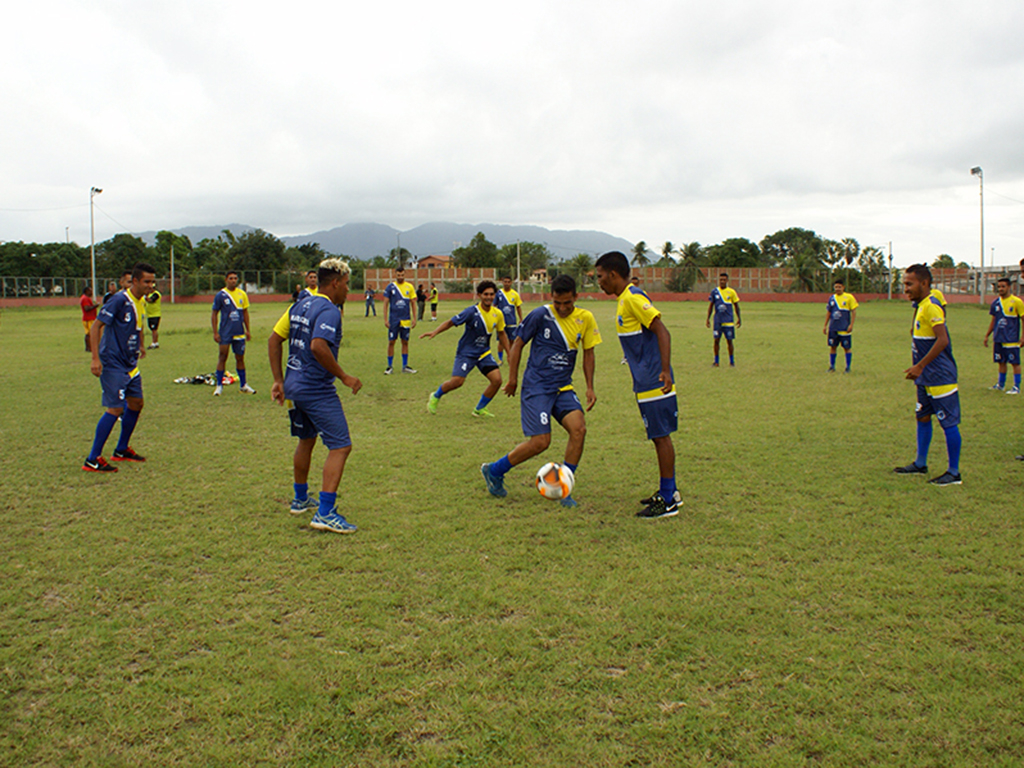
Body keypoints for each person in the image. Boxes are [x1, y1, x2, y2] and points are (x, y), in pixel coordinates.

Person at [481, 275, 600, 507]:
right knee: (540, 442)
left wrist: (589, 386)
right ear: (551, 298)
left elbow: (588, 353)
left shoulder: (586, 318)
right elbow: (517, 344)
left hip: (563, 387)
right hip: (537, 387)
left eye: (568, 303)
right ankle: (494, 470)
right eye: (558, 303)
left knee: (579, 430)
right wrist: (513, 379)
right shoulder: (539, 315)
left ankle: (563, 487)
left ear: (576, 297)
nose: (563, 308)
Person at [269, 258, 362, 533]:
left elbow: (274, 338)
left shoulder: (300, 303)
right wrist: (344, 376)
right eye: (346, 284)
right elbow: (318, 346)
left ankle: (300, 499)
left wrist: (278, 380)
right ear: (334, 283)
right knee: (341, 446)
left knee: (306, 440)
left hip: (294, 385)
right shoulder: (330, 310)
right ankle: (325, 512)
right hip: (315, 388)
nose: (348, 290)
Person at [595, 251, 681, 517]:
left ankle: (667, 500)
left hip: (654, 379)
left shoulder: (632, 297)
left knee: (660, 436)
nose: (598, 282)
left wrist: (665, 371)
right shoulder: (624, 300)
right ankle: (671, 491)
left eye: (600, 277)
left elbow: (662, 331)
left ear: (613, 274)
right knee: (657, 436)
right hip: (644, 380)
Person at [82, 262, 156, 472]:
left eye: (153, 281)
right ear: (134, 281)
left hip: (130, 363)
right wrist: (95, 359)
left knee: (136, 403)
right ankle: (92, 458)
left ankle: (121, 449)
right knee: (115, 408)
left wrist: (140, 345)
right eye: (146, 281)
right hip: (113, 362)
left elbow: (135, 326)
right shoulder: (119, 300)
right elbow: (96, 327)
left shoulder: (139, 301)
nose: (151, 285)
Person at [894, 264, 962, 486]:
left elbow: (942, 340)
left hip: (940, 376)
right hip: (925, 377)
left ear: (923, 283)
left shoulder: (931, 306)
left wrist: (920, 366)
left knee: (948, 423)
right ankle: (920, 464)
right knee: (922, 416)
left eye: (909, 284)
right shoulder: (921, 304)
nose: (905, 288)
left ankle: (954, 473)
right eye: (904, 284)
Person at [422, 280, 511, 418]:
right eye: (485, 294)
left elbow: (502, 333)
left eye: (492, 294)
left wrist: (509, 353)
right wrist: (435, 331)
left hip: (483, 353)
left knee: (497, 380)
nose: (489, 297)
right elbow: (451, 322)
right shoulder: (471, 312)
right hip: (466, 353)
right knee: (457, 382)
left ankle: (479, 409)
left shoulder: (498, 314)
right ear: (479, 295)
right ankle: (435, 395)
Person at [211, 270, 256, 395]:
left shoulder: (242, 294)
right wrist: (215, 332)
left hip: (239, 332)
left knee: (240, 358)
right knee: (222, 357)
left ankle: (243, 385)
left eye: (235, 278)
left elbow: (245, 313)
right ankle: (219, 385)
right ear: (226, 280)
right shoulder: (221, 295)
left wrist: (248, 330)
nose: (233, 280)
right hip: (225, 332)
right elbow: (214, 313)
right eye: (230, 278)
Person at [983, 277, 1024, 394]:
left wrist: (1023, 336)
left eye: (1003, 286)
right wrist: (987, 335)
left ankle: (1016, 386)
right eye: (999, 287)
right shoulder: (995, 303)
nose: (1000, 289)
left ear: (1009, 287)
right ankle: (1000, 384)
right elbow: (993, 321)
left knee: (1015, 362)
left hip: (1011, 338)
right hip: (999, 338)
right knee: (1001, 362)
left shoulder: (1016, 302)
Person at [382, 267, 417, 374]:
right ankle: (389, 366)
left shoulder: (409, 287)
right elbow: (385, 304)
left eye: (402, 275)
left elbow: (413, 303)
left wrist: (415, 318)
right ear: (395, 275)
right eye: (398, 275)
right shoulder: (390, 287)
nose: (400, 277)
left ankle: (405, 366)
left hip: (405, 319)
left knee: (405, 342)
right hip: (394, 319)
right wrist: (385, 319)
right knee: (391, 341)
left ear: (405, 275)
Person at [706, 272, 741, 367]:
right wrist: (708, 319)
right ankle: (716, 361)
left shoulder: (732, 292)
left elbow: (736, 306)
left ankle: (732, 361)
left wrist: (739, 318)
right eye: (721, 280)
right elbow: (711, 306)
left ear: (727, 281)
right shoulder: (714, 292)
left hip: (728, 321)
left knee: (729, 341)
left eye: (724, 280)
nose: (722, 281)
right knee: (716, 341)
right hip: (717, 321)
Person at [824, 279, 858, 372]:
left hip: (844, 328)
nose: (837, 289)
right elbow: (828, 312)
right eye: (836, 287)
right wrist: (825, 325)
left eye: (839, 287)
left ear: (843, 287)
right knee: (832, 347)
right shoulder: (832, 298)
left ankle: (848, 367)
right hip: (833, 327)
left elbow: (853, 311)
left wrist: (851, 325)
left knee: (847, 348)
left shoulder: (849, 297)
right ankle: (832, 366)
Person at [494, 276, 524, 362]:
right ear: (502, 282)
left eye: (508, 282)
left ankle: (510, 357)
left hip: (512, 321)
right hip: (501, 322)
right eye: (505, 281)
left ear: (511, 283)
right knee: (501, 341)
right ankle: (500, 359)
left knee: (512, 341)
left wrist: (521, 318)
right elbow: (493, 306)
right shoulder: (499, 293)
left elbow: (518, 307)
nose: (506, 283)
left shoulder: (515, 294)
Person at [80, 286, 99, 352]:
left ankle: (88, 347)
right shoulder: (85, 299)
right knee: (90, 334)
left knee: (88, 333)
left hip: (88, 318)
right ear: (86, 291)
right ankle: (89, 347)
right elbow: (86, 308)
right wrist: (95, 306)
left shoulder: (85, 298)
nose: (91, 292)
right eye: (90, 291)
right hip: (88, 318)